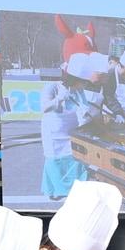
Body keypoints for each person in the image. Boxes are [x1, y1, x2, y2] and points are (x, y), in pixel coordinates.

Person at [39, 52, 102, 199]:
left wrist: (87, 114)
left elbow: (83, 107)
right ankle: (55, 190)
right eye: (83, 81)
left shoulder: (79, 91)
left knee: (75, 158)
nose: (86, 84)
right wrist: (59, 99)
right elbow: (44, 108)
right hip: (53, 133)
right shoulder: (52, 88)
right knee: (55, 160)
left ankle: (71, 189)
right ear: (75, 79)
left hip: (70, 131)